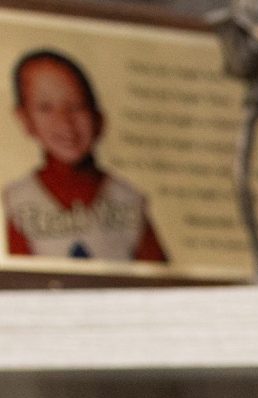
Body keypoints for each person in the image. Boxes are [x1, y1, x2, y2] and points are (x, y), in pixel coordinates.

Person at [5, 49, 166, 264]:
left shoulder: (127, 199)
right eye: (45, 108)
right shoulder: (18, 200)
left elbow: (158, 277)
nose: (65, 122)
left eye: (76, 106)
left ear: (98, 118)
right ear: (25, 119)